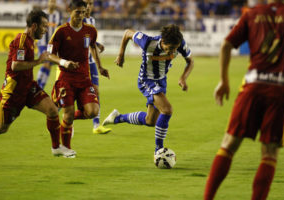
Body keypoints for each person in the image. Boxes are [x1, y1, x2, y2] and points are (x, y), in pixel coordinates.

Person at [204, 1, 284, 199]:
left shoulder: (253, 13)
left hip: (252, 86)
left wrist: (223, 81)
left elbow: (227, 44)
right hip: (279, 90)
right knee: (270, 153)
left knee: (229, 144)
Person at [0, 9, 75, 158]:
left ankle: (56, 147)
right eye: (44, 26)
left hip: (28, 87)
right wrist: (39, 61)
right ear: (34, 26)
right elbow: (15, 66)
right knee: (1, 128)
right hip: (13, 92)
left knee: (52, 109)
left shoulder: (31, 42)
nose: (46, 30)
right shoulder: (22, 40)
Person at [102, 24, 194, 156]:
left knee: (150, 121)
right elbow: (128, 32)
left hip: (161, 82)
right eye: (171, 48)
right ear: (163, 42)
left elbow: (190, 61)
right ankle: (159, 151)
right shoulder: (147, 42)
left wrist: (183, 78)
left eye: (176, 48)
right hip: (146, 80)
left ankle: (118, 118)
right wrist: (121, 54)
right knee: (167, 110)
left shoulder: (180, 44)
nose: (174, 51)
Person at [48, 0, 110, 156]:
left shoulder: (90, 30)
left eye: (83, 12)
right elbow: (49, 54)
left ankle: (66, 122)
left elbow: (93, 48)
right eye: (78, 12)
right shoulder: (61, 31)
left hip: (83, 78)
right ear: (70, 11)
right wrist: (64, 62)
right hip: (65, 78)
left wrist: (100, 66)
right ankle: (66, 148)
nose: (81, 15)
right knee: (68, 113)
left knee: (93, 111)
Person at [74, 0, 112, 135]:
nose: (89, 6)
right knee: (74, 94)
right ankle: (66, 117)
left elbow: (89, 39)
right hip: (80, 63)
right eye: (87, 3)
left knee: (96, 92)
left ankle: (96, 125)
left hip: (92, 62)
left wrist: (97, 44)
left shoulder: (92, 20)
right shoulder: (77, 19)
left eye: (91, 3)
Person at [36, 0, 62, 89]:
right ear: (48, 3)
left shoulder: (58, 14)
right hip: (42, 43)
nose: (52, 3)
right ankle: (38, 86)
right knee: (46, 63)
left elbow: (59, 29)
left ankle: (39, 87)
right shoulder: (42, 13)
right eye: (51, 1)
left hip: (52, 45)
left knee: (49, 66)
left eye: (54, 2)